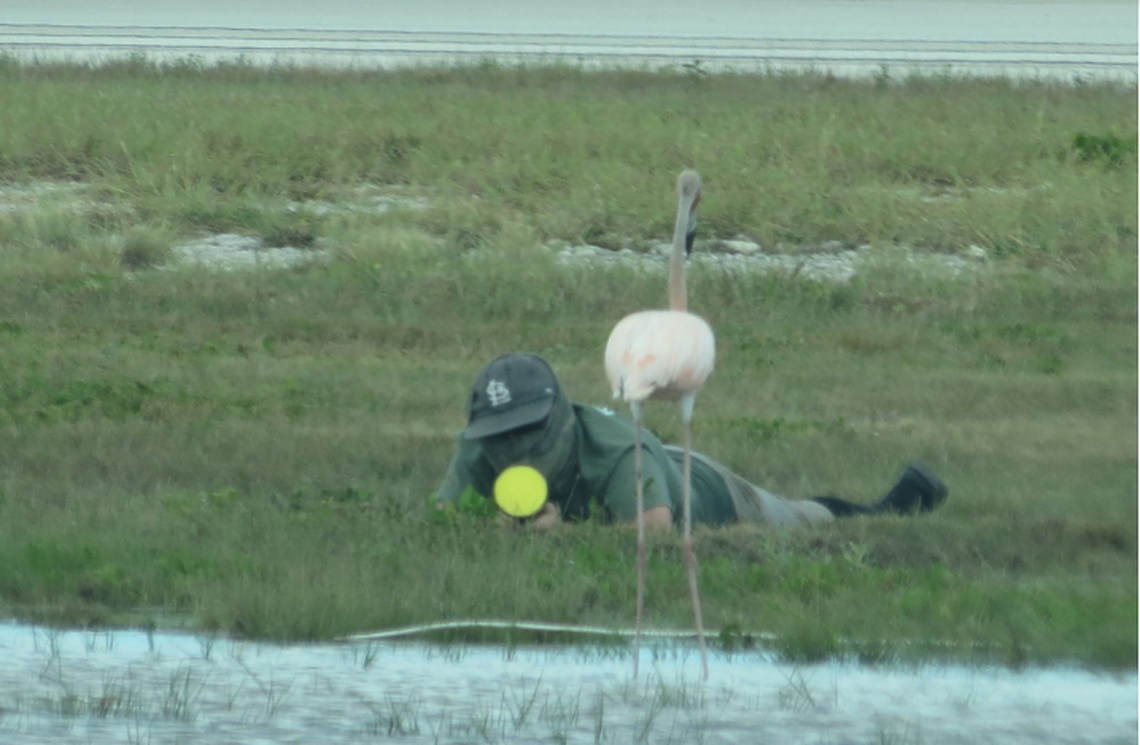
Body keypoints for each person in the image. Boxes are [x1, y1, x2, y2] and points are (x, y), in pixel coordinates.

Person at [434, 352, 948, 529]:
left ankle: (890, 509)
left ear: (556, 421)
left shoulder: (615, 451)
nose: (509, 449)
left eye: (523, 432)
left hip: (704, 490)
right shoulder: (479, 447)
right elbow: (441, 520)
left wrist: (560, 536)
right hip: (660, 465)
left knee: (797, 519)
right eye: (498, 435)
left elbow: (654, 532)